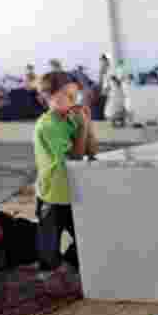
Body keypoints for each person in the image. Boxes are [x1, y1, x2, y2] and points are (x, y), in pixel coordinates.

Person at [33, 71, 98, 275]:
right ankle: (48, 272)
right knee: (49, 243)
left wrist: (87, 123)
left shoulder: (69, 119)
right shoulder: (48, 124)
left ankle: (67, 266)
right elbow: (75, 157)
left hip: (72, 190)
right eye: (67, 96)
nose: (73, 101)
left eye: (75, 96)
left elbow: (92, 150)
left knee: (85, 236)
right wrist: (82, 126)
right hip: (52, 193)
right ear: (48, 97)